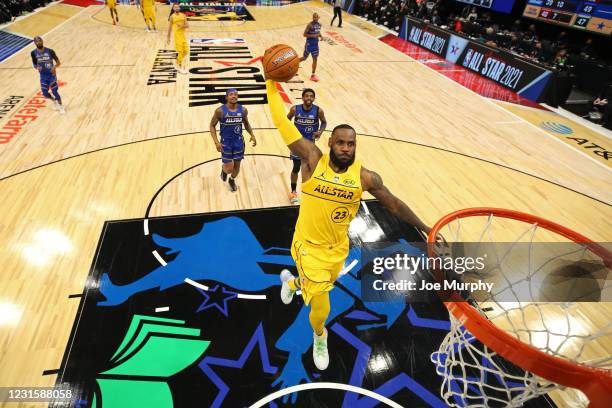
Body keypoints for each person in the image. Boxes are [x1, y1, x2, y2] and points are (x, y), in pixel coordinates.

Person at [265, 78, 437, 370]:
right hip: (307, 245)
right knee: (321, 302)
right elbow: (283, 124)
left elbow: (394, 204)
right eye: (341, 142)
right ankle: (320, 334)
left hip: (337, 249)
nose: (346, 148)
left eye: (351, 143)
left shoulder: (365, 177)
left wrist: (427, 227)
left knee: (317, 284)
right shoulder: (311, 159)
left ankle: (292, 283)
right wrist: (270, 83)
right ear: (330, 142)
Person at [209, 89, 256, 192]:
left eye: (235, 94)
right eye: (231, 94)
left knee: (237, 165)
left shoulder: (243, 110)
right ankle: (224, 170)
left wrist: (252, 134)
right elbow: (212, 125)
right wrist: (216, 142)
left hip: (238, 142)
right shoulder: (220, 111)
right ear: (226, 97)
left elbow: (246, 124)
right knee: (229, 168)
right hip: (226, 143)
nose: (234, 96)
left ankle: (232, 180)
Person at [286, 88, 327, 204]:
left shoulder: (318, 111)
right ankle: (293, 191)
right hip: (297, 145)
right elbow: (286, 120)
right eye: (307, 96)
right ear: (303, 97)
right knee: (296, 167)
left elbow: (324, 122)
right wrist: (290, 131)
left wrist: (320, 131)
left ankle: (311, 191)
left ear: (313, 98)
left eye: (311, 96)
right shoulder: (295, 109)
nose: (309, 98)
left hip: (310, 146)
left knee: (311, 168)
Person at [31, 36, 65, 114]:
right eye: (37, 41)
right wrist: (37, 67)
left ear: (42, 41)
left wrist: (54, 67)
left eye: (40, 41)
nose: (39, 42)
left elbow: (58, 62)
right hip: (43, 76)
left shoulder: (50, 51)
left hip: (51, 75)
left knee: (55, 91)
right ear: (35, 43)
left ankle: (61, 106)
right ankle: (54, 101)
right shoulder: (33, 53)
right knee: (45, 94)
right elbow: (34, 63)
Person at [167, 2, 188, 74]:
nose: (176, 8)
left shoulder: (183, 15)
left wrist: (181, 26)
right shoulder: (172, 17)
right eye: (175, 7)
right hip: (177, 36)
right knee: (180, 52)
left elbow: (187, 25)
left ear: (179, 8)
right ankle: (180, 67)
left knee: (186, 51)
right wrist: (168, 38)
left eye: (178, 7)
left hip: (183, 36)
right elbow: (169, 28)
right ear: (173, 8)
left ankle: (176, 63)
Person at [300, 13, 322, 82]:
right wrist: (314, 36)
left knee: (315, 59)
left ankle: (313, 75)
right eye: (314, 17)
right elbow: (304, 34)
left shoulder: (319, 25)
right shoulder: (310, 25)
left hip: (315, 45)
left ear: (318, 17)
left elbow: (318, 32)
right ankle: (294, 63)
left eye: (316, 17)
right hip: (309, 44)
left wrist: (321, 36)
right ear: (312, 18)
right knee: (304, 58)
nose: (315, 18)